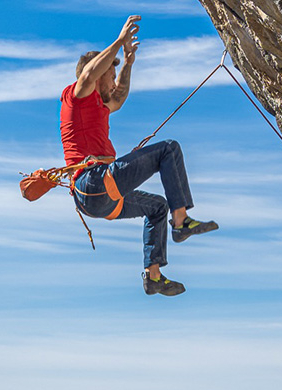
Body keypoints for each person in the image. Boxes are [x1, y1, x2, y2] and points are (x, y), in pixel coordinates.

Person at [60, 15, 218, 296]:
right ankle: (180, 222)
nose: (113, 81)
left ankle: (153, 277)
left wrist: (128, 63)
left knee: (157, 207)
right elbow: (89, 75)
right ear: (99, 73)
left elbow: (119, 97)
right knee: (168, 148)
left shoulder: (99, 104)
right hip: (93, 183)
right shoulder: (77, 95)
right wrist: (119, 41)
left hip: (101, 201)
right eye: (110, 73)